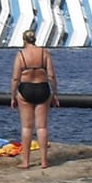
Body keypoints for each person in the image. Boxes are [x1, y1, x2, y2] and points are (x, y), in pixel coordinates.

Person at [10, 29, 59, 169]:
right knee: (42, 127)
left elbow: (15, 78)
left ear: (24, 40)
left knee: (27, 127)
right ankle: (44, 161)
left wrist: (12, 96)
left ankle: (26, 162)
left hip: (26, 89)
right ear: (35, 39)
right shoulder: (44, 53)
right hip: (43, 88)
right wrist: (55, 94)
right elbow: (51, 76)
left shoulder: (20, 54)